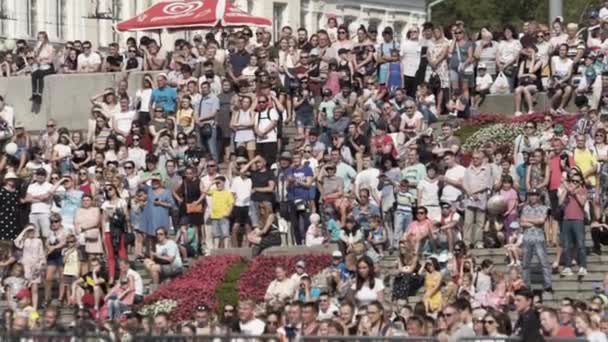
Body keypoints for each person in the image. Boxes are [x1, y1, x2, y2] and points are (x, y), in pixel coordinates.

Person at [520, 188, 552, 292]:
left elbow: (541, 220)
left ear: (538, 196)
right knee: (525, 263)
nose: (533, 197)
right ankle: (526, 284)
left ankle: (548, 284)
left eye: (535, 195)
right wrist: (535, 222)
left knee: (544, 262)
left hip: (539, 238)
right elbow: (522, 223)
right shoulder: (525, 208)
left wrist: (528, 221)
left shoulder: (544, 208)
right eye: (531, 195)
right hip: (527, 237)